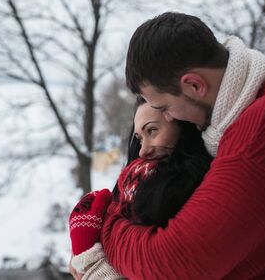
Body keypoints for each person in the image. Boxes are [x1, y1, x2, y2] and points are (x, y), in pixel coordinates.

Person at [76, 12, 265, 279]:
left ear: (194, 85)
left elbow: (172, 265)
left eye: (164, 107)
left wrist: (102, 228)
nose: (169, 119)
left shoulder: (264, 133)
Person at [69, 96, 212, 279]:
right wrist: (83, 246)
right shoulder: (133, 179)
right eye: (139, 138)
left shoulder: (205, 185)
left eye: (152, 130)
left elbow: (163, 261)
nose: (143, 150)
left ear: (183, 124)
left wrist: (94, 265)